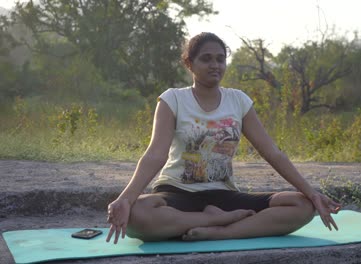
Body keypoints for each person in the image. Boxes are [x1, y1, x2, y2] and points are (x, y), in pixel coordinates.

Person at [106, 32, 341, 244]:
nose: (215, 65)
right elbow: (155, 155)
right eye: (206, 59)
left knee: (301, 206)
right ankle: (210, 220)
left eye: (220, 59)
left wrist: (312, 193)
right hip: (177, 192)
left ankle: (223, 232)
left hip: (223, 195)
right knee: (137, 215)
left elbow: (272, 152)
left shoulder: (238, 101)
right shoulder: (173, 100)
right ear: (190, 63)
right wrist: (125, 199)